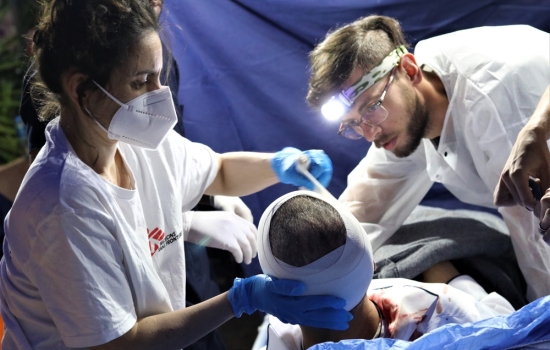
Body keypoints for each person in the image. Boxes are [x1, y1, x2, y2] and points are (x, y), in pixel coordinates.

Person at [0, 1, 352, 348]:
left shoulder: (135, 141)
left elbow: (221, 172)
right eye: (141, 82)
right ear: (81, 90)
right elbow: (121, 343)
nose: (159, 95)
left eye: (159, 76)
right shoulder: (63, 206)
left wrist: (279, 165)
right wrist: (241, 299)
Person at [305, 15, 550, 302]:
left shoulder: (493, 93)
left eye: (372, 107)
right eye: (353, 124)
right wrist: (308, 267)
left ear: (409, 70)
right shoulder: (409, 112)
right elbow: (366, 204)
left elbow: (538, 240)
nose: (370, 133)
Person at [255, 191, 514, 350]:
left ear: (274, 289)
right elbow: (512, 329)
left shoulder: (277, 330)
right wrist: (454, 279)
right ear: (372, 263)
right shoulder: (448, 312)